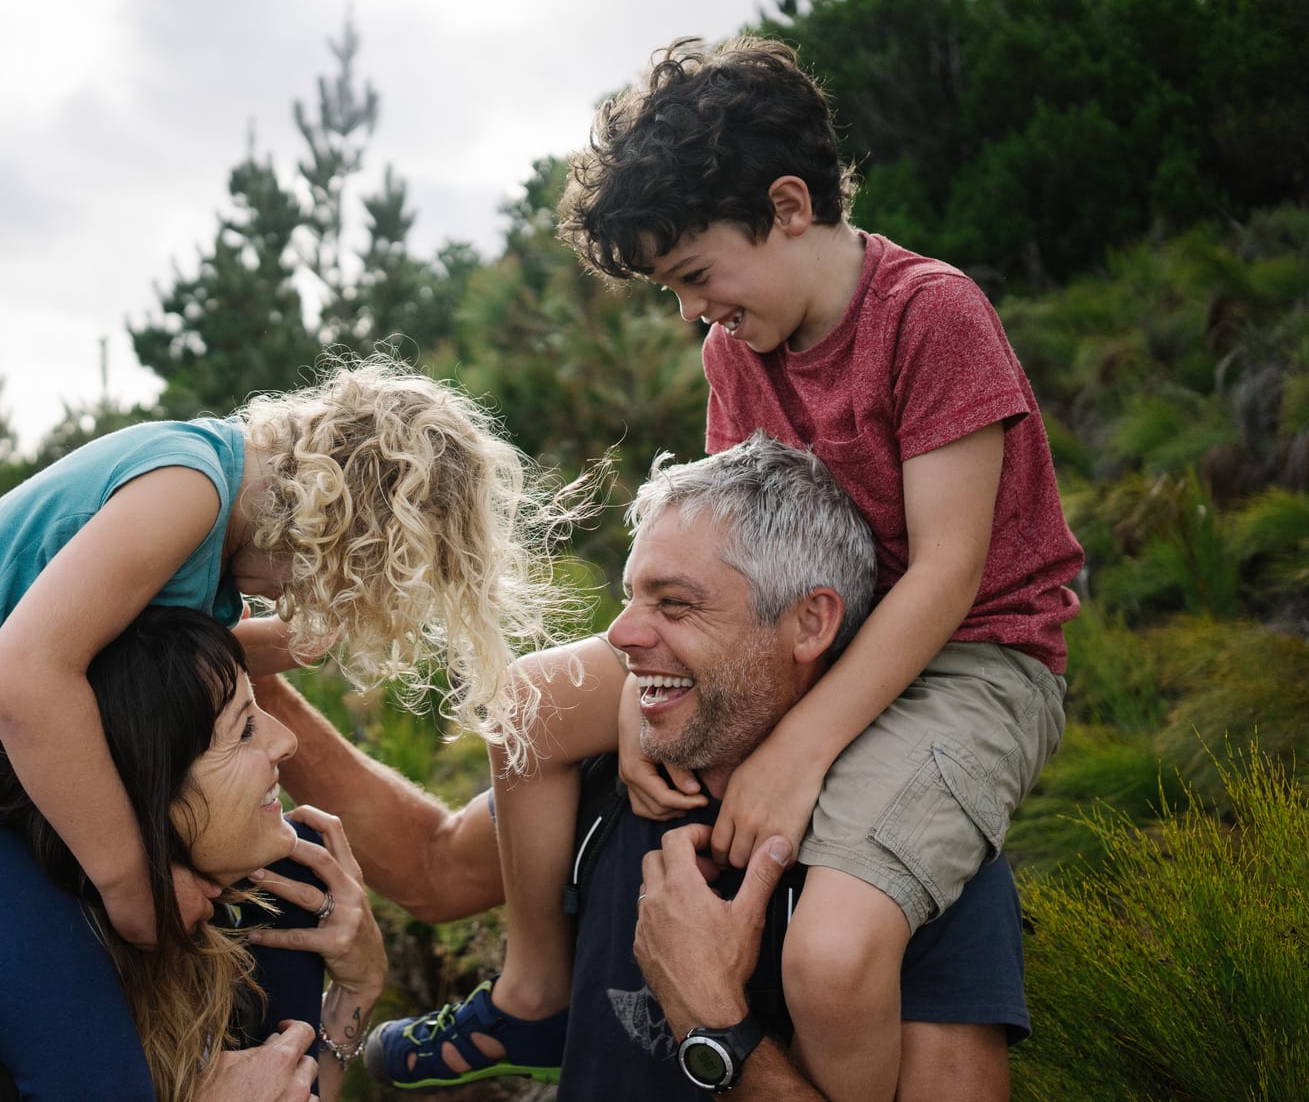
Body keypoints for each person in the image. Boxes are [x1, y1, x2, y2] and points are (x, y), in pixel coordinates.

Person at [384, 35, 1082, 1101]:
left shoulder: (928, 316)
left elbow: (947, 573)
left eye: (694, 276)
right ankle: (534, 993)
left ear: (789, 206)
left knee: (830, 957)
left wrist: (797, 750)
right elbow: (722, 550)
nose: (688, 314)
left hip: (974, 660)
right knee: (525, 707)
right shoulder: (733, 352)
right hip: (801, 626)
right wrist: (641, 697)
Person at [0, 358, 580, 1101]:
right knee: (97, 1077)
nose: (299, 591)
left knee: (295, 871)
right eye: (339, 575)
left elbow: (128, 663)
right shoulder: (185, 491)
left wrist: (283, 642)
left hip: (16, 795)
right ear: (334, 526)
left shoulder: (213, 537)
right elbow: (23, 675)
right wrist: (141, 887)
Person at [269, 437, 1030, 1099]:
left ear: (809, 621)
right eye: (630, 596)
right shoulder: (606, 776)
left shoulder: (913, 861)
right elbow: (432, 868)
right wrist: (251, 689)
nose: (624, 635)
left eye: (675, 605)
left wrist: (711, 1018)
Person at [0, 606, 385, 1101]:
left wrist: (351, 997)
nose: (285, 740)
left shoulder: (211, 953)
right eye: (242, 730)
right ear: (144, 795)